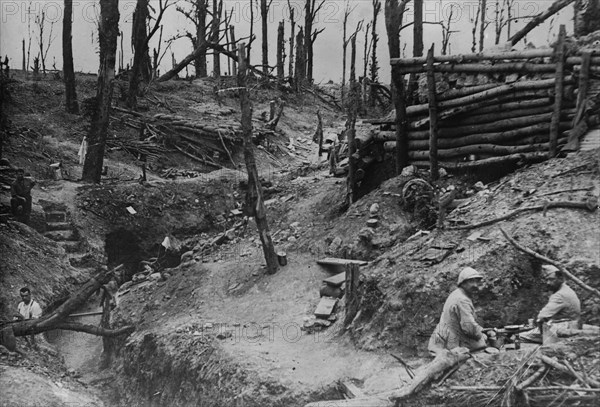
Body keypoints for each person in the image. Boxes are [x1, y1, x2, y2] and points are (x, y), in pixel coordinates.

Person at [428, 267, 487, 356]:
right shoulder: (462, 300)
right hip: (449, 345)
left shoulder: (458, 294)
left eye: (477, 281)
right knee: (485, 343)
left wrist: (483, 330)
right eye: (471, 281)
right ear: (462, 283)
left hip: (441, 340)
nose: (475, 285)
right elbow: (469, 328)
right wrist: (483, 335)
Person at [522, 265, 581, 344]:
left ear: (560, 279)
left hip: (562, 329)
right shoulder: (567, 289)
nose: (548, 283)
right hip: (572, 326)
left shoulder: (560, 295)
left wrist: (542, 333)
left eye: (551, 279)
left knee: (518, 337)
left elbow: (541, 317)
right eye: (547, 280)